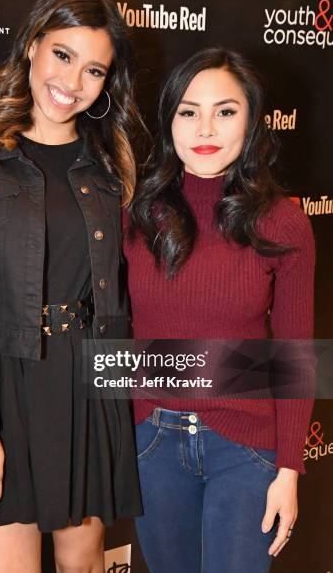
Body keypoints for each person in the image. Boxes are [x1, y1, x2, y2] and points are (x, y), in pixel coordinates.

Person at [0, 0, 145, 573]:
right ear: (32, 46)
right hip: (4, 383)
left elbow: (128, 294)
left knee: (85, 565)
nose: (73, 83)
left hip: (87, 386)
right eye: (63, 55)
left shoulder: (105, 165)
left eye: (94, 70)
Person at [124, 48, 315, 573]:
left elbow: (295, 354)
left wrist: (289, 469)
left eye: (225, 111)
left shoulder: (284, 222)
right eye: (188, 111)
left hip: (247, 448)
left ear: (252, 120)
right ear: (169, 121)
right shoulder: (134, 213)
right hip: (152, 443)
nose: (205, 127)